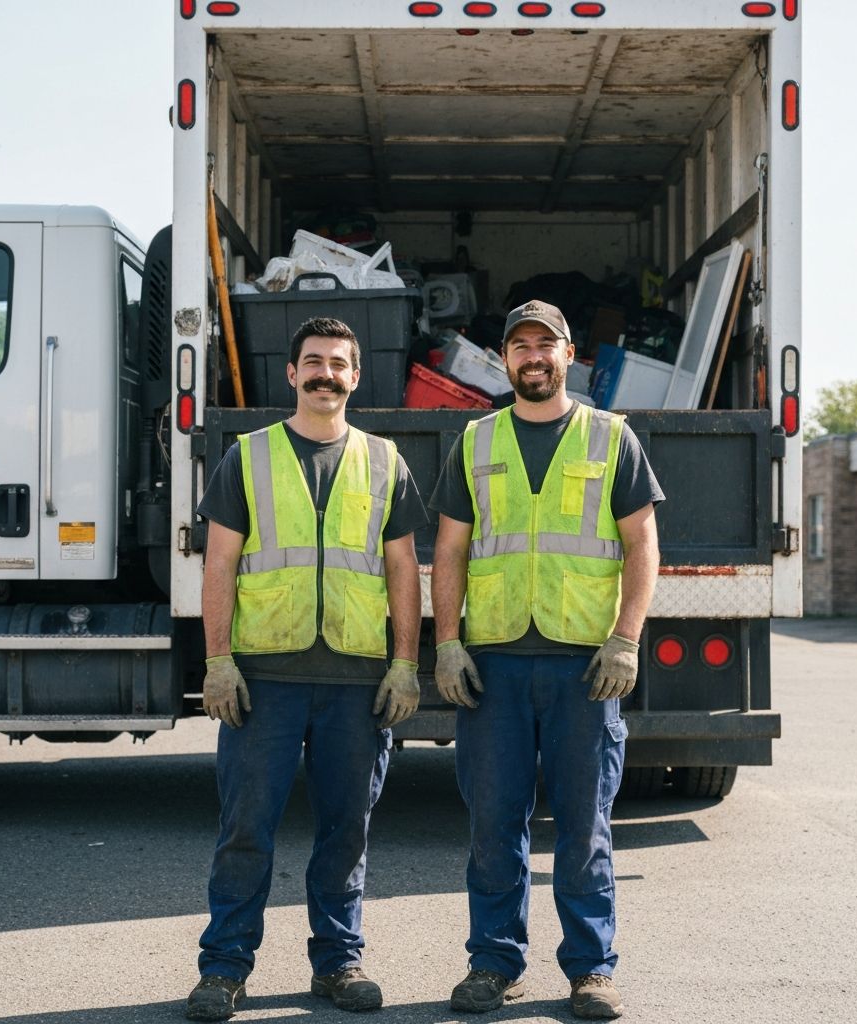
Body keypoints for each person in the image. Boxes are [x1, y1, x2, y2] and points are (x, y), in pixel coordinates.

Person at [186, 316, 428, 1021]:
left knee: (345, 829)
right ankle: (225, 969)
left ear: (357, 376)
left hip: (355, 681)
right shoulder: (248, 458)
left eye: (339, 363)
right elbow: (221, 564)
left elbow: (401, 572)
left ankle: (339, 961)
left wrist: (405, 664)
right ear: (290, 374)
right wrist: (219, 660)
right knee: (245, 828)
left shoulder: (385, 462)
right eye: (313, 361)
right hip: (264, 679)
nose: (326, 373)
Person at [429, 300, 664, 1020]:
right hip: (495, 665)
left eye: (546, 345)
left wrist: (626, 639)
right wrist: (445, 645)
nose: (533, 357)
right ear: (504, 358)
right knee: (493, 823)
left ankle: (591, 970)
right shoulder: (475, 441)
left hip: (583, 666)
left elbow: (642, 545)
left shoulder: (610, 438)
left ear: (570, 355)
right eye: (519, 345)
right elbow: (449, 551)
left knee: (585, 826)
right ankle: (493, 965)